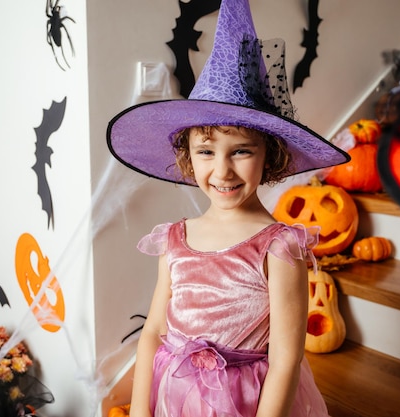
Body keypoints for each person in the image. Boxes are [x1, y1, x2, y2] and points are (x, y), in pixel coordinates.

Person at [106, 0, 349, 415]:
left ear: (268, 155)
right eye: (205, 151)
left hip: (248, 401)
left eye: (240, 151)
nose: (222, 170)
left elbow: (287, 356)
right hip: (177, 395)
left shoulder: (280, 247)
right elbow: (153, 333)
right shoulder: (174, 239)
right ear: (187, 158)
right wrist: (143, 410)